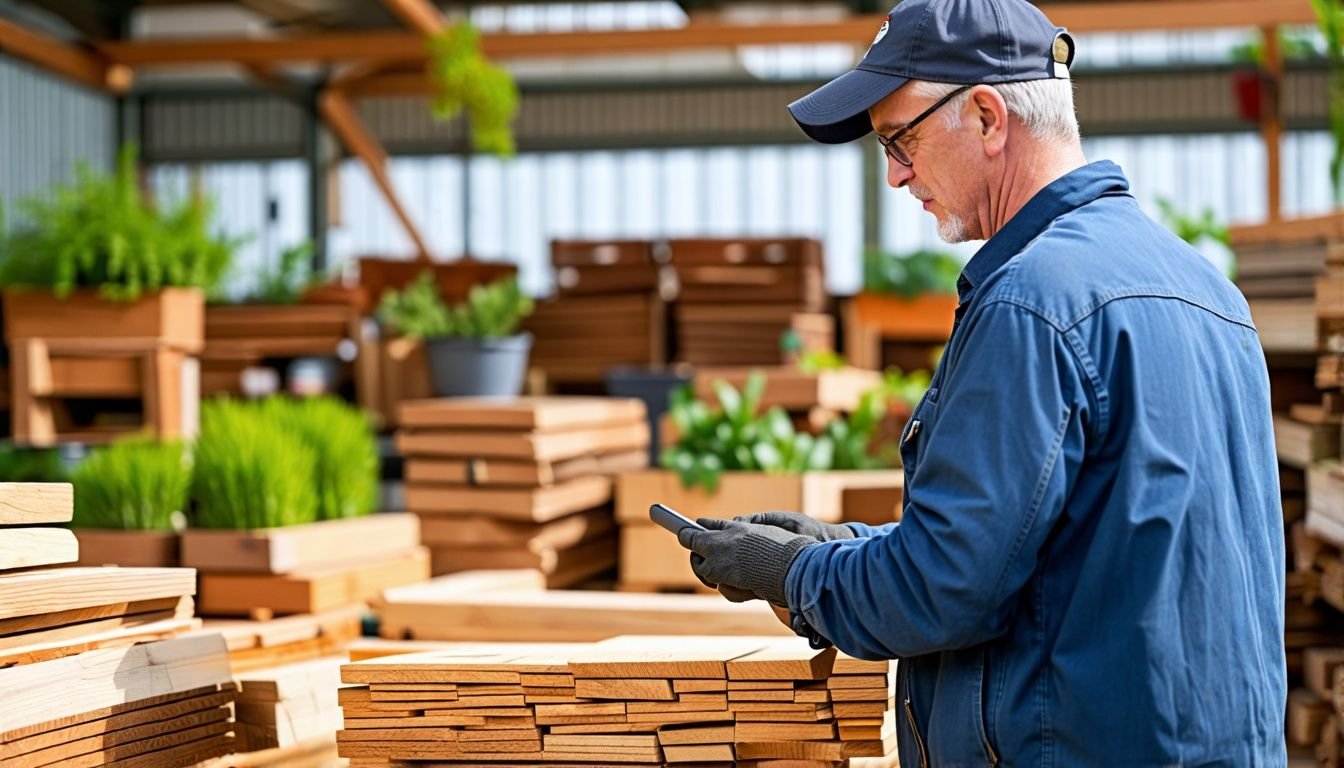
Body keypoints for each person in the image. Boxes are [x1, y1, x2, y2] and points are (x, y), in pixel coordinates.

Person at [675, 0, 1286, 764]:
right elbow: (1076, 553)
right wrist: (847, 547)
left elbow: (947, 590)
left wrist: (800, 576)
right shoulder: (1208, 289)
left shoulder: (1034, 302)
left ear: (990, 117)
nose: (896, 174)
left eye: (901, 139)